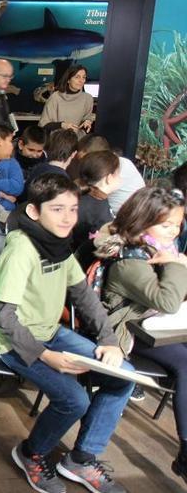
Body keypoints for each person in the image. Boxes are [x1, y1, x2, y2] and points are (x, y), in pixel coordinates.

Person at [0, 173, 133, 493]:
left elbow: (85, 297)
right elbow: (5, 318)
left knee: (124, 375)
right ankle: (31, 452)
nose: (68, 217)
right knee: (74, 399)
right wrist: (46, 356)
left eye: (73, 208)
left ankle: (81, 457)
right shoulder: (22, 250)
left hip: (50, 333)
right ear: (34, 212)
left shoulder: (59, 245)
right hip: (14, 341)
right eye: (57, 209)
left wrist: (109, 341)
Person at [93, 187, 187, 486]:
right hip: (124, 335)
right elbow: (169, 301)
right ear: (142, 221)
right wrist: (176, 263)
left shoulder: (151, 248)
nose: (173, 232)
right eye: (165, 225)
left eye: (177, 225)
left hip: (151, 326)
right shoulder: (130, 259)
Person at [69, 150, 122, 266]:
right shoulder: (99, 210)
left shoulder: (79, 197)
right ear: (109, 178)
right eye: (119, 174)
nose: (121, 178)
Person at [76, 135, 145, 214]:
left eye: (86, 160)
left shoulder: (116, 166)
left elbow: (88, 191)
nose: (83, 164)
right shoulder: (120, 162)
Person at [39, 65, 95, 138]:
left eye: (84, 77)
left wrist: (87, 122)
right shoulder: (55, 97)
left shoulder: (88, 98)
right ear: (68, 80)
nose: (81, 80)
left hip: (78, 141)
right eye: (77, 77)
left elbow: (86, 119)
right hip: (57, 142)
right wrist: (62, 125)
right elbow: (44, 125)